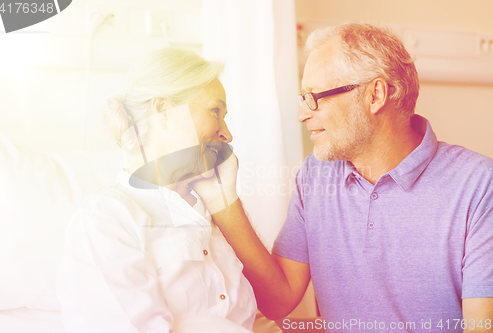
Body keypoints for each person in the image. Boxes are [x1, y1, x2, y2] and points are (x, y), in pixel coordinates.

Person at [192, 23, 493, 332]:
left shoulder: (480, 185)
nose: (302, 114)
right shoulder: (315, 175)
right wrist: (223, 198)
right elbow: (277, 300)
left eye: (314, 97)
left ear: (375, 95)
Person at [56, 48, 257, 333]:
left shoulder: (209, 215)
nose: (227, 134)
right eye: (215, 111)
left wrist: (223, 198)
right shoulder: (107, 217)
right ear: (163, 111)